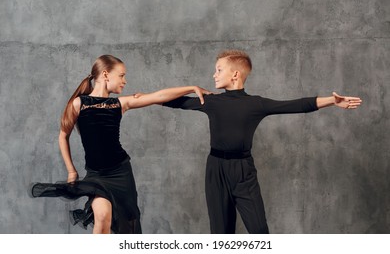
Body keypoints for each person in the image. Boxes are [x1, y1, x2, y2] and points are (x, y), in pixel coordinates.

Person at [161, 49, 362, 234]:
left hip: (243, 170)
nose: (214, 74)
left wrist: (332, 101)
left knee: (259, 231)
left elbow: (295, 105)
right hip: (215, 169)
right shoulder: (212, 101)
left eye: (219, 70)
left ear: (235, 75)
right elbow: (169, 101)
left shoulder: (256, 104)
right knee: (220, 233)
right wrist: (190, 87)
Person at [29, 54, 210, 234]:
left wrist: (191, 88)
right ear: (106, 74)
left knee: (127, 227)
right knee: (102, 217)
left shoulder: (120, 103)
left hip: (121, 173)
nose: (125, 80)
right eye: (122, 75)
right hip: (96, 175)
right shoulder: (78, 104)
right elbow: (63, 136)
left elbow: (159, 96)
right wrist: (71, 170)